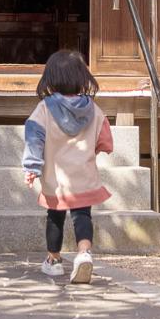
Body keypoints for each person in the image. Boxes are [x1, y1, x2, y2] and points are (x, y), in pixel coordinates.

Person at [22, 49, 114, 284]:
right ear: (82, 77)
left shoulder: (44, 109)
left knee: (55, 216)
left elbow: (34, 137)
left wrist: (32, 167)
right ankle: (84, 253)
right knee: (82, 215)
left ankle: (53, 260)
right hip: (84, 174)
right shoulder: (94, 109)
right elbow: (104, 139)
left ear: (51, 78)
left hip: (56, 178)